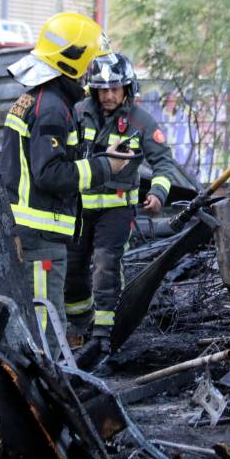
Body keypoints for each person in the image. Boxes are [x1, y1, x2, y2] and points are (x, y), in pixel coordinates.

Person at [0, 13, 133, 341]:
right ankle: (48, 375)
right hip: (39, 237)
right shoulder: (52, 108)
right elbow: (50, 174)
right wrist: (106, 167)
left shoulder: (39, 98)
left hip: (32, 233)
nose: (91, 73)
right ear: (72, 62)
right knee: (46, 325)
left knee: (41, 318)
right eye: (90, 63)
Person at [64, 53, 177, 372]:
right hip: (79, 209)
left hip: (116, 210)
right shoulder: (77, 114)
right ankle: (79, 327)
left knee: (106, 266)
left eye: (115, 89)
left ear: (128, 89)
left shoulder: (141, 121)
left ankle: (104, 336)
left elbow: (164, 163)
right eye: (102, 89)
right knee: (73, 270)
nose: (109, 95)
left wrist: (157, 193)